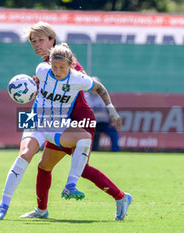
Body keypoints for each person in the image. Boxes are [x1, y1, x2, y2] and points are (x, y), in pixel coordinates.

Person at [0, 43, 123, 220]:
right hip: (36, 121)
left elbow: (99, 88)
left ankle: (70, 185)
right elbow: (36, 81)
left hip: (59, 125)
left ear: (71, 65)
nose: (57, 70)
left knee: (84, 138)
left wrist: (111, 109)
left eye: (62, 67)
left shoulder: (78, 78)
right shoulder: (42, 70)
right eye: (54, 66)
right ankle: (3, 206)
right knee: (25, 155)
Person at [19, 22, 132, 221]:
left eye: (41, 40)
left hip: (80, 119)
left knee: (82, 169)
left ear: (52, 40)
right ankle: (41, 210)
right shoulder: (46, 67)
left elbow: (86, 80)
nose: (36, 44)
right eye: (33, 41)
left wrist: (111, 109)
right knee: (44, 166)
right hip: (60, 122)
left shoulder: (64, 60)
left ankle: (121, 197)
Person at [85, 77, 120, 152]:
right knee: (93, 138)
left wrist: (112, 120)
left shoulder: (103, 97)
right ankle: (93, 152)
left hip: (104, 123)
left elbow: (110, 109)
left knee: (113, 133)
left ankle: (116, 151)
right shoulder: (85, 97)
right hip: (92, 123)